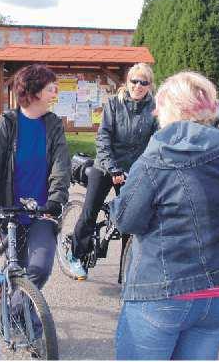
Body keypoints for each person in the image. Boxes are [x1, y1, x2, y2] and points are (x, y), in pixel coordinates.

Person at [109, 71, 219, 360]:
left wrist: (118, 205)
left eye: (159, 104)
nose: (154, 110)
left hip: (163, 289)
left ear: (170, 109)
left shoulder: (157, 156)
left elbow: (128, 220)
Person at [0, 63, 71, 339]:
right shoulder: (5, 125)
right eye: (50, 87)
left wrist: (56, 200)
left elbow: (60, 166)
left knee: (39, 268)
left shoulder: (53, 125)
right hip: (10, 213)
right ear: (33, 92)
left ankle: (16, 307)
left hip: (42, 212)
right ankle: (23, 312)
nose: (55, 91)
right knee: (15, 269)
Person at [69, 63, 158, 279]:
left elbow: (157, 141)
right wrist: (113, 168)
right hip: (106, 166)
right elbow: (103, 138)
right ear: (127, 83)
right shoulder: (113, 104)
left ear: (149, 85)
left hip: (133, 171)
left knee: (131, 219)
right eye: (134, 81)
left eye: (143, 82)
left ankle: (126, 273)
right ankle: (76, 256)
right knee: (90, 211)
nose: (138, 85)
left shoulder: (155, 109)